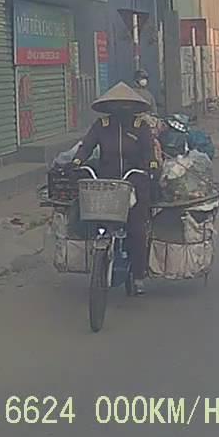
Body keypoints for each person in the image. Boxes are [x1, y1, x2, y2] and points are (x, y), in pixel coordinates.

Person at [70, 83, 160, 295]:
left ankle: (138, 275)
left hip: (134, 182)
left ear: (132, 107)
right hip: (107, 185)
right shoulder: (101, 125)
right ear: (109, 107)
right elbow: (87, 146)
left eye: (125, 105)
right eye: (117, 105)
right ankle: (98, 261)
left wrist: (152, 165)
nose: (121, 109)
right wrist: (76, 161)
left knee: (137, 230)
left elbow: (149, 151)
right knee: (93, 222)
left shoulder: (140, 126)